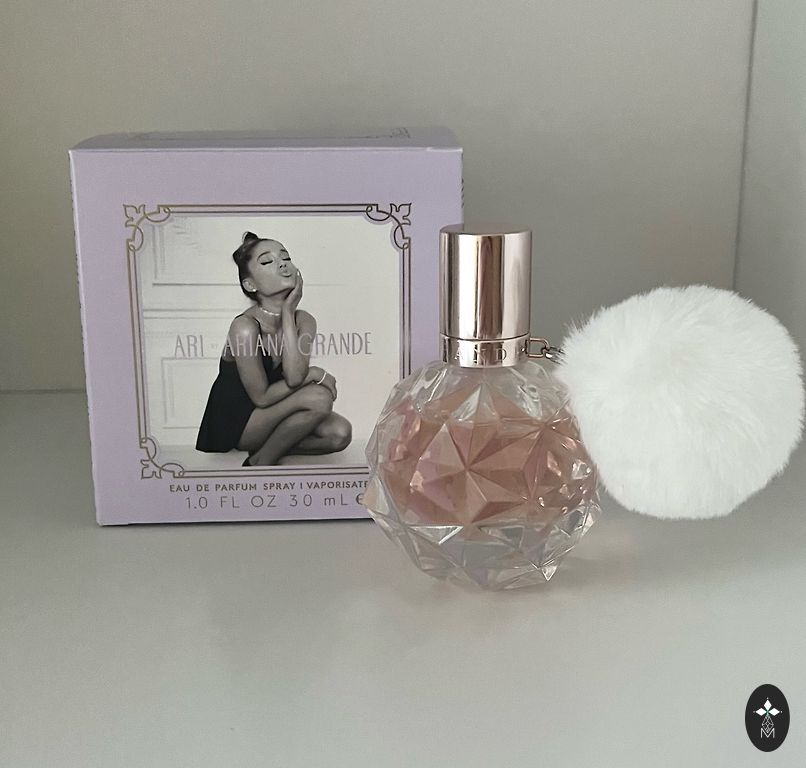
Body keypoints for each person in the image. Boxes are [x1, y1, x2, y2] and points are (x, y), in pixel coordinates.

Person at [195, 231, 352, 466]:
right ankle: (261, 461)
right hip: (237, 422)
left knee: (340, 433)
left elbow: (294, 376)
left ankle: (270, 448)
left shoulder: (304, 320)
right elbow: (262, 397)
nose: (282, 265)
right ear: (250, 284)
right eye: (267, 262)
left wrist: (287, 312)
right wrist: (315, 373)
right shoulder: (244, 327)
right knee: (319, 398)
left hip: (274, 415)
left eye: (285, 258)